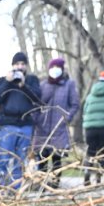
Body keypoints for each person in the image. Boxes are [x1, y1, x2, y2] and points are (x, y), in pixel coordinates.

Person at [0, 51, 42, 192]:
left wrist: (24, 86)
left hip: (25, 124)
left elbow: (37, 98)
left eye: (22, 64)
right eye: (17, 64)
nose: (20, 67)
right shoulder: (3, 80)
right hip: (8, 125)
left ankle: (17, 189)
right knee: (3, 158)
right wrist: (8, 82)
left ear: (26, 66)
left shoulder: (31, 80)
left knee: (20, 162)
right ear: (12, 65)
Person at [32, 57, 79, 189]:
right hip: (42, 128)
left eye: (57, 67)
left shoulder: (69, 85)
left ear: (62, 69)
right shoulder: (42, 85)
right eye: (52, 67)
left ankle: (55, 184)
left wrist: (66, 119)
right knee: (42, 158)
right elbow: (36, 104)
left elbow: (75, 104)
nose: (55, 70)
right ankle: (42, 185)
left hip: (59, 128)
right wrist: (36, 119)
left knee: (57, 158)